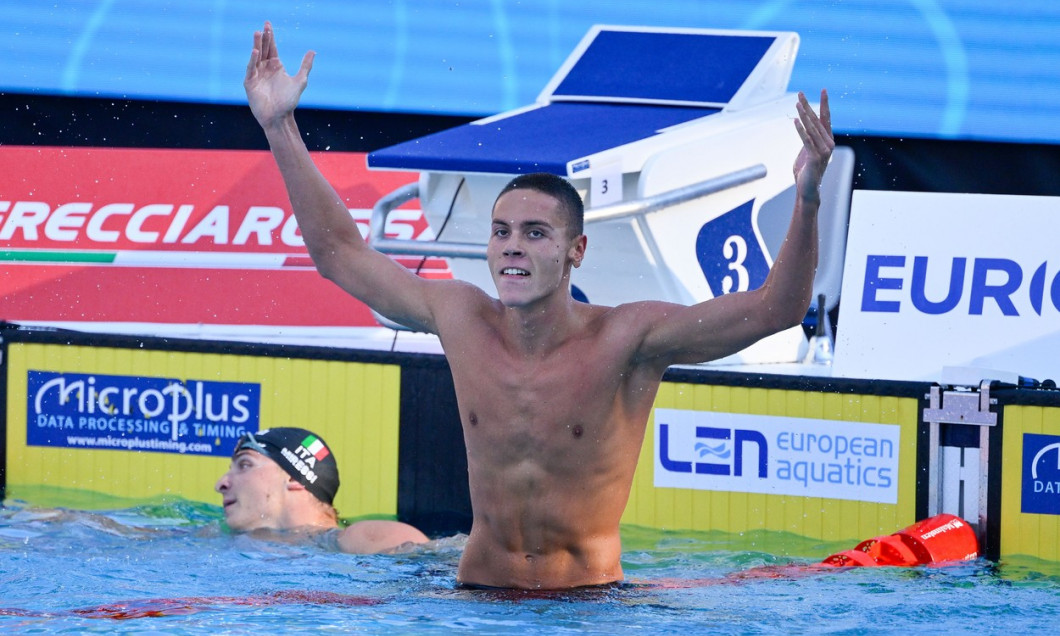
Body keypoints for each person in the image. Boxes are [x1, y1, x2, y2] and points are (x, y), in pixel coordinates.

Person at [243, 21, 833, 589]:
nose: (512, 248)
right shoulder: (460, 316)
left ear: (576, 250)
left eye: (534, 233)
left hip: (586, 606)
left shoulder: (628, 338)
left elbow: (773, 311)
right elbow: (338, 253)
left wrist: (807, 201)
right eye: (501, 232)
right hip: (475, 598)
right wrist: (280, 126)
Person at [215, 427, 428, 553]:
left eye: (244, 465)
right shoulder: (219, 537)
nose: (221, 484)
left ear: (292, 477)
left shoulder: (356, 539)